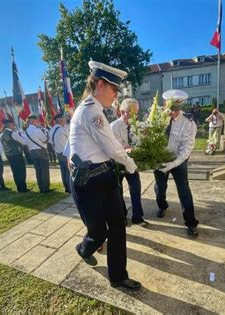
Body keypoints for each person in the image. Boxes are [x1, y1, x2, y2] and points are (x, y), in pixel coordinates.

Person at [69, 60, 141, 290]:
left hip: (106, 176)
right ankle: (84, 248)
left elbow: (103, 146)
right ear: (100, 84)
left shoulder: (97, 110)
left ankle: (118, 276)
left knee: (118, 225)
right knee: (98, 232)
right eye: (114, 89)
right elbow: (111, 146)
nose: (116, 94)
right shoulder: (91, 111)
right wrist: (130, 164)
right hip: (88, 181)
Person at [154, 89, 199, 237]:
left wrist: (173, 164)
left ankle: (191, 223)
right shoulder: (157, 118)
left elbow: (186, 150)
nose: (171, 113)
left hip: (179, 160)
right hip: (160, 159)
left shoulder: (188, 123)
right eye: (169, 109)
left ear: (180, 108)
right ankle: (162, 206)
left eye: (175, 110)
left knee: (184, 190)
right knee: (160, 187)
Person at [110, 98, 148, 227]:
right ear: (122, 111)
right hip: (118, 163)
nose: (134, 116)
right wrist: (129, 149)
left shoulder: (137, 125)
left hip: (132, 163)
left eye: (136, 113)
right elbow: (118, 148)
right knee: (118, 192)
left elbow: (139, 143)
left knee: (136, 188)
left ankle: (137, 217)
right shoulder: (114, 126)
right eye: (130, 113)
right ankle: (122, 217)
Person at [0, 118, 29, 193]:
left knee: (15, 172)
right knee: (21, 171)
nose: (14, 126)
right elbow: (24, 142)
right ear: (10, 125)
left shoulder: (1, 135)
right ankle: (23, 187)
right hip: (17, 154)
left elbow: (2, 147)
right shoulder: (13, 133)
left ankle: (19, 187)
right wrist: (21, 134)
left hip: (9, 155)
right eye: (13, 124)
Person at [26, 115, 52, 193]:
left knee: (38, 171)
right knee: (44, 170)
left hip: (32, 151)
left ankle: (41, 188)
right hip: (41, 151)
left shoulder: (27, 130)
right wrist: (47, 134)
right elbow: (45, 140)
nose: (39, 122)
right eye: (37, 120)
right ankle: (46, 188)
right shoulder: (36, 130)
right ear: (32, 121)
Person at [48, 113, 71, 193]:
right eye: (64, 120)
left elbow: (51, 143)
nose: (65, 121)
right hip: (66, 153)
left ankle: (66, 187)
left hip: (58, 152)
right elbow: (71, 138)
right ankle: (70, 188)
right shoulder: (63, 129)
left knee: (63, 171)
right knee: (68, 171)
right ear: (61, 120)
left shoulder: (51, 130)